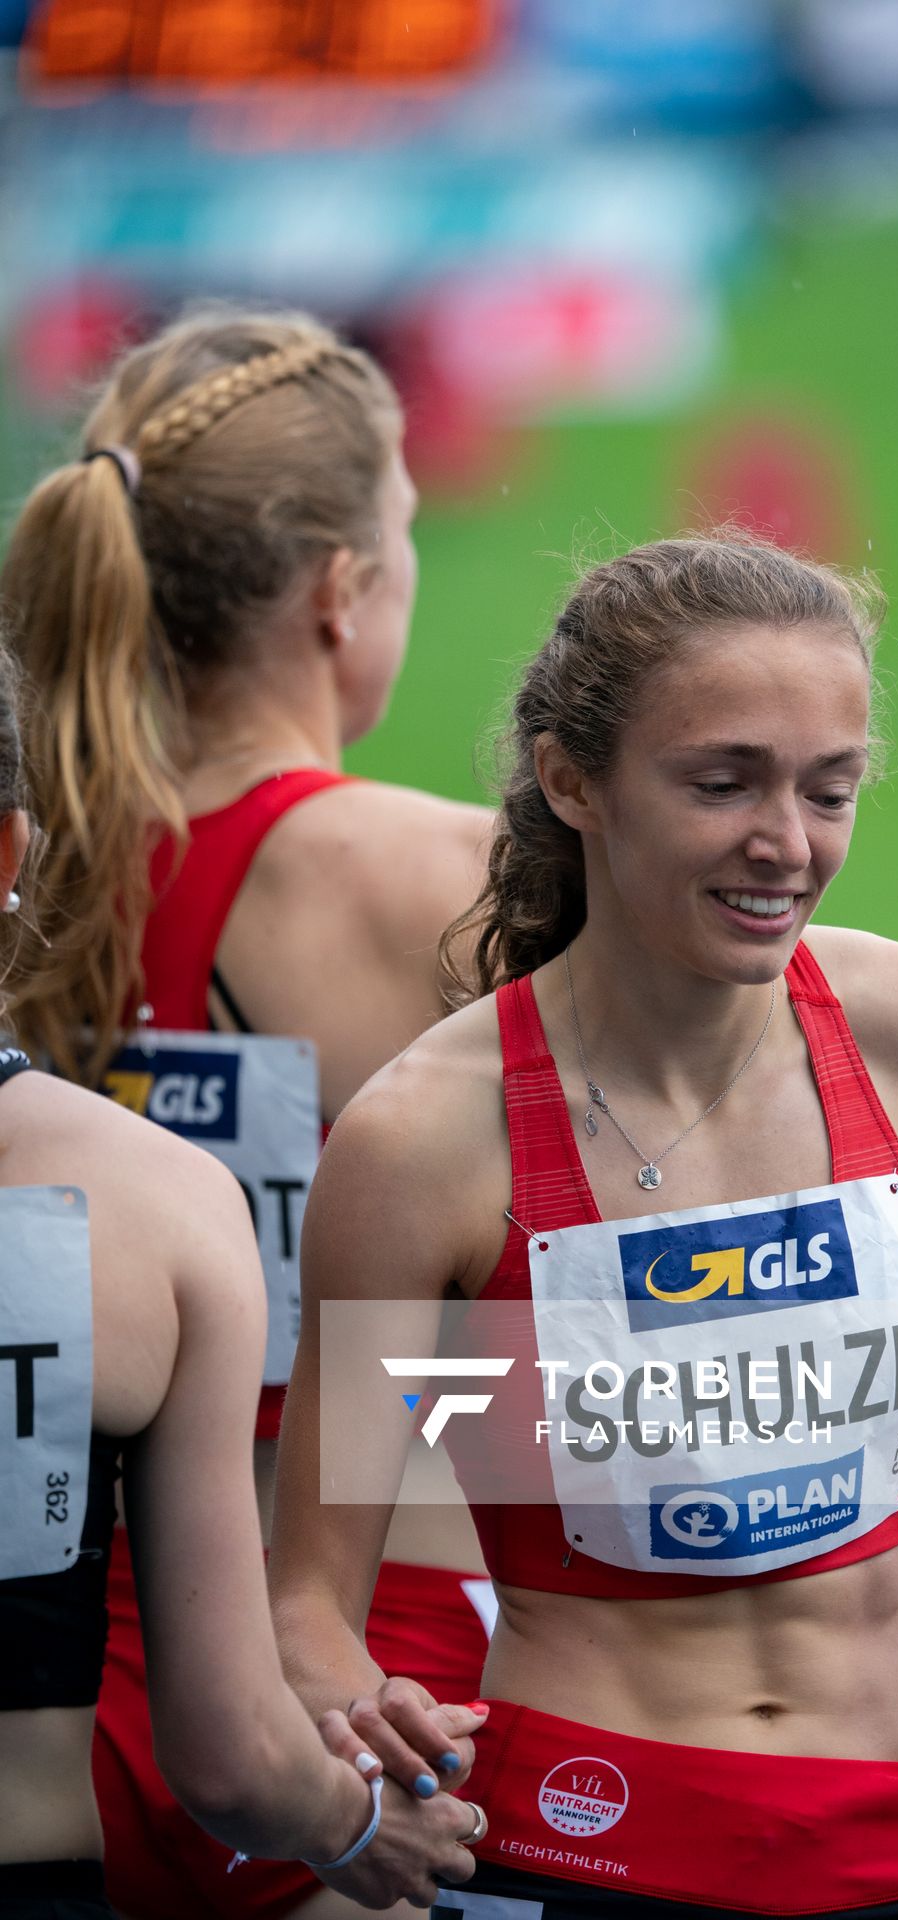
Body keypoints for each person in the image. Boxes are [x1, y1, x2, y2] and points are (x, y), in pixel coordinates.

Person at [268, 529, 898, 1919]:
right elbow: (307, 1602)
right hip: (589, 1839)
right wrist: (357, 1752)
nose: (785, 844)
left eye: (830, 789)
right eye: (722, 782)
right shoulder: (419, 1142)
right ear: (575, 783)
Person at [0, 308, 493, 1920]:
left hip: (66, 1688)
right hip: (375, 1697)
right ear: (345, 591)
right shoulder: (454, 885)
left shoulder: (37, 858)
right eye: (408, 530)